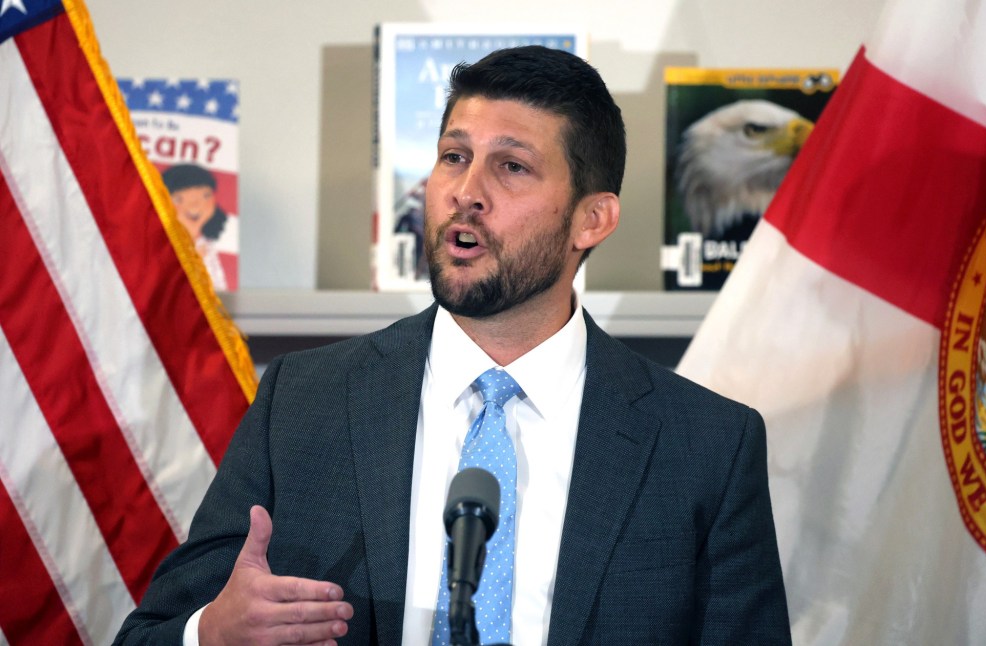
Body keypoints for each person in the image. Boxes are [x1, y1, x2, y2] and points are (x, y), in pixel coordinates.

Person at [115, 46, 790, 645]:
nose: (467, 193)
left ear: (592, 219)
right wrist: (213, 634)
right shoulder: (303, 403)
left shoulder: (707, 446)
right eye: (454, 157)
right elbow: (145, 637)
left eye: (512, 167)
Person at [162, 163, 238, 291]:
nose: (195, 207)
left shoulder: (207, 245)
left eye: (205, 196)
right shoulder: (162, 246)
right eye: (179, 199)